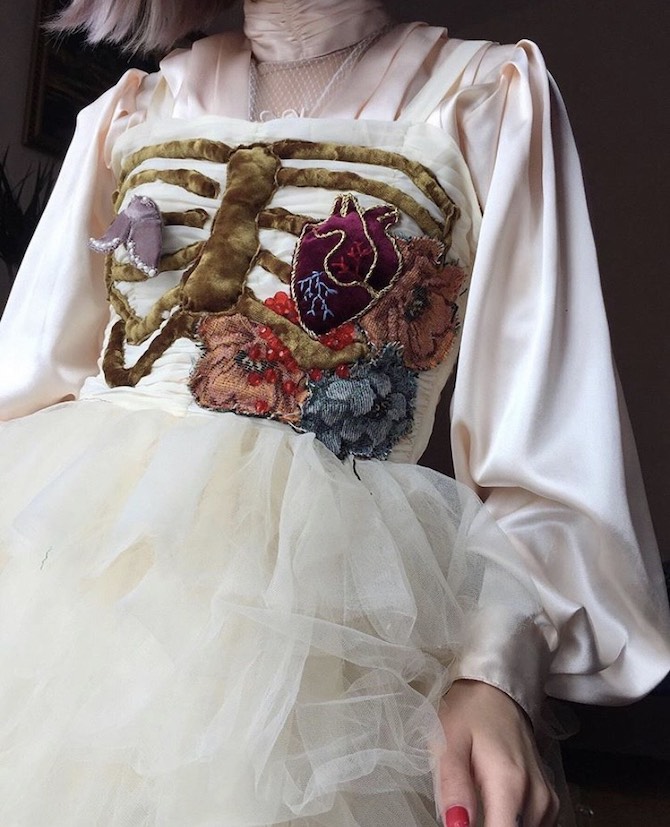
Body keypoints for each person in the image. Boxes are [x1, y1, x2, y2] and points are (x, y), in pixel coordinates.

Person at [0, 1, 668, 825]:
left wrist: (494, 672)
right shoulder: (132, 110)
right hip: (63, 629)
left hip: (316, 665)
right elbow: (23, 398)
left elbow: (550, 460)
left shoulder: (484, 98)